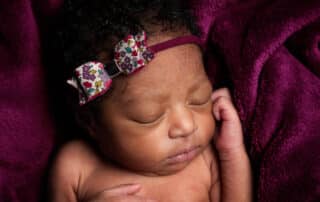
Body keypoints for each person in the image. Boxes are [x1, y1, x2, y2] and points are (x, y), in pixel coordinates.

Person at [49, 0, 252, 201]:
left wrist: (232, 153)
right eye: (149, 117)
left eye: (199, 100)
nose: (187, 126)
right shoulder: (75, 167)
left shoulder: (206, 160)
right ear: (91, 122)